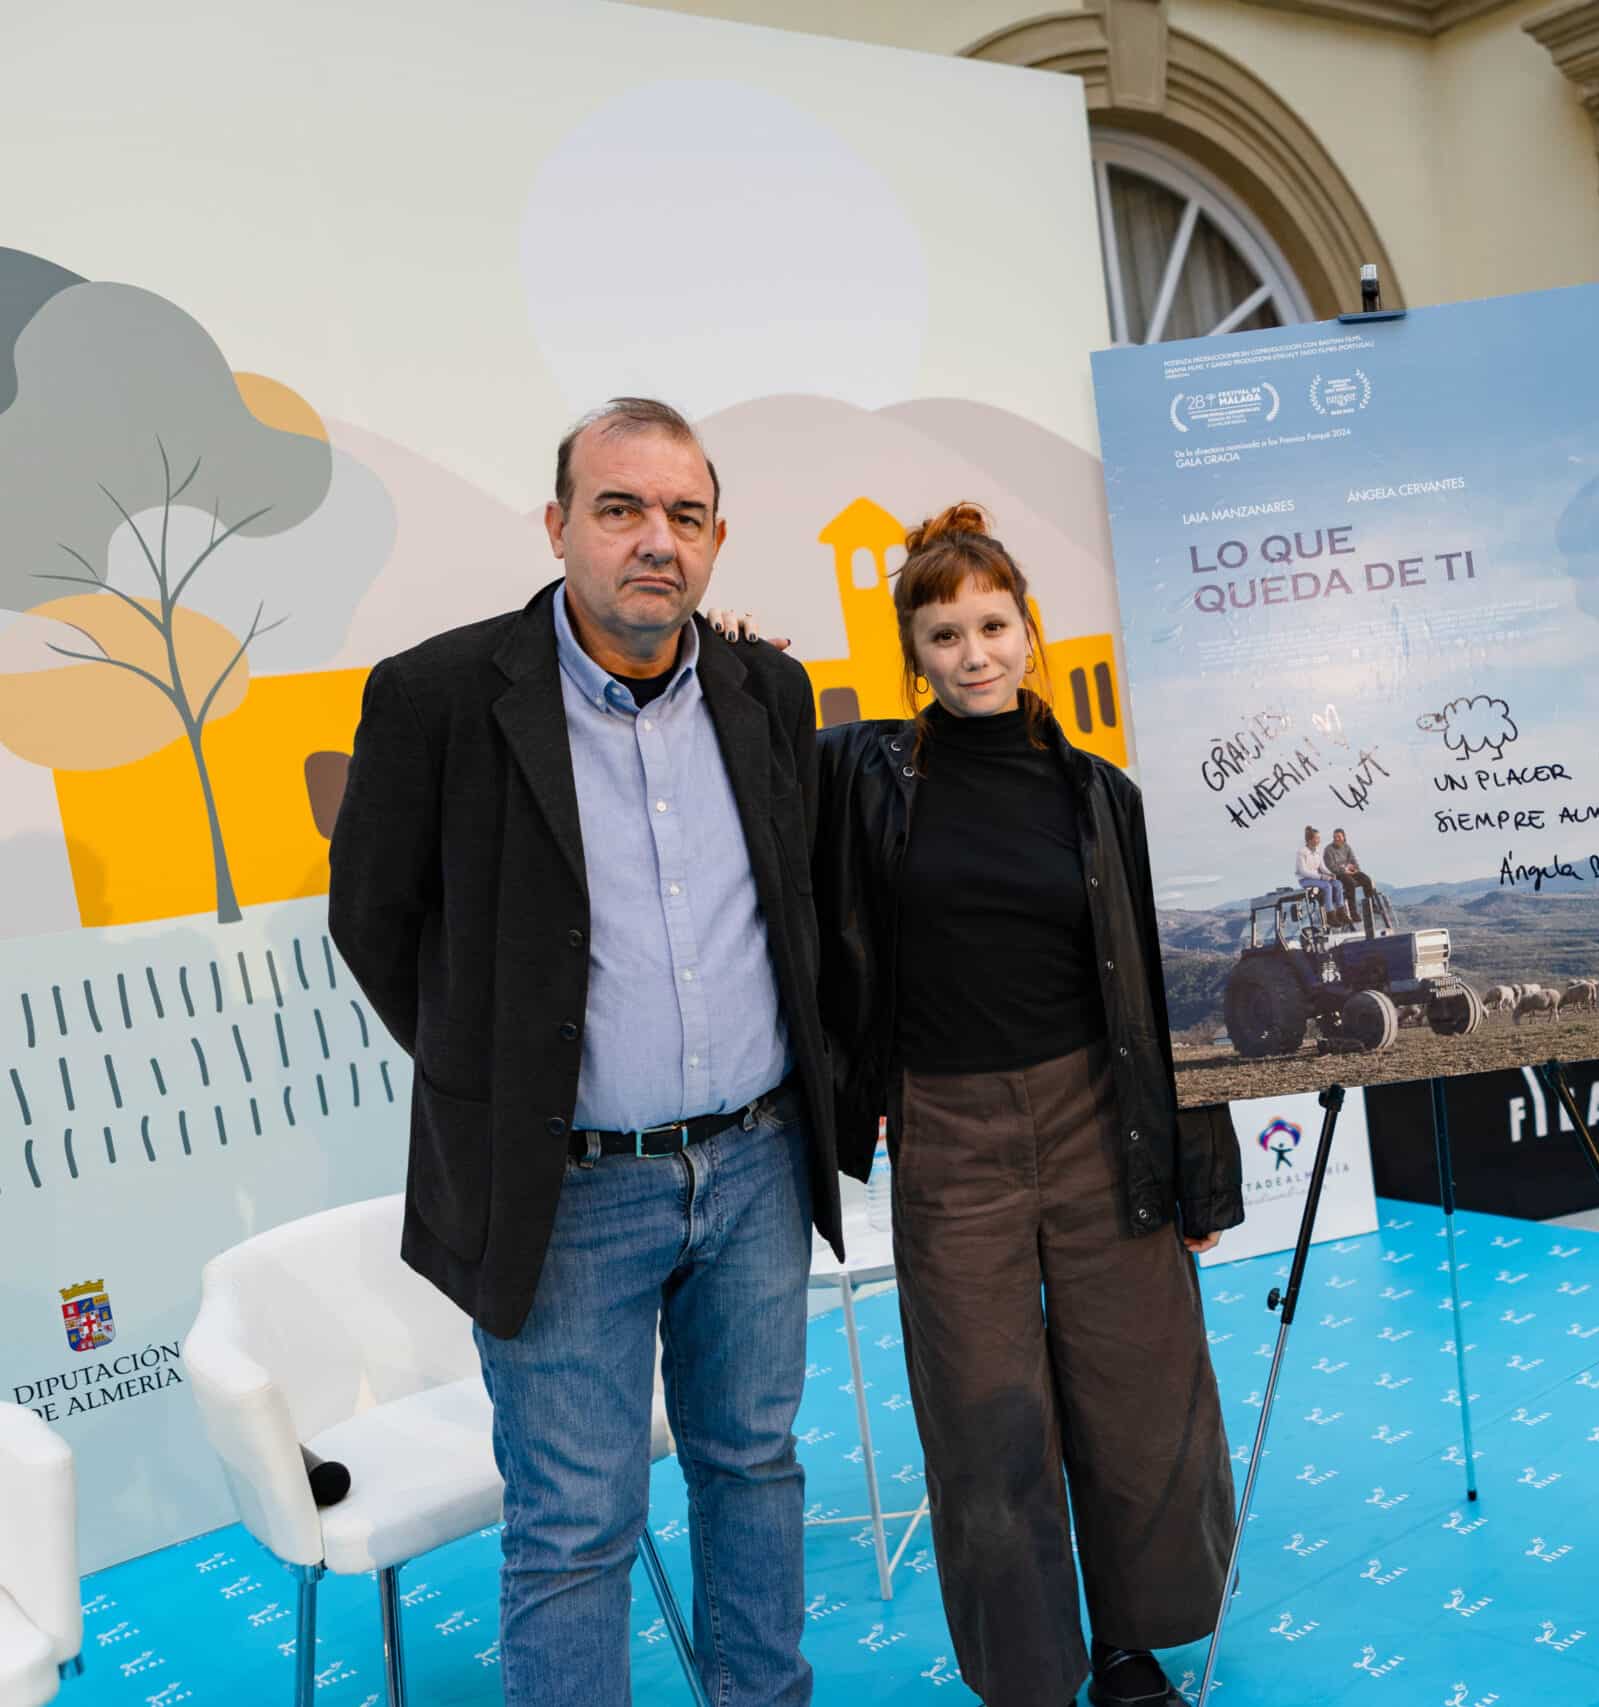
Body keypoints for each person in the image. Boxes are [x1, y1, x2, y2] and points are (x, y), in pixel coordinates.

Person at [329, 398, 845, 1707]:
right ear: (558, 525)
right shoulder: (438, 697)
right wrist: (506, 1086)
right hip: (565, 1195)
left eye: (682, 515)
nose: (653, 541)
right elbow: (376, 924)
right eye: (620, 508)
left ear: (717, 538)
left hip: (759, 1165)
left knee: (757, 1471)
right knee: (571, 1529)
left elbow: (798, 902)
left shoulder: (767, 689)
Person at [808, 504, 1244, 1707]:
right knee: (984, 1412)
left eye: (992, 624)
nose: (973, 653)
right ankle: (1029, 1673)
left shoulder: (1102, 796)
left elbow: (1168, 995)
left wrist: (1199, 1168)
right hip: (947, 1132)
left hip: (1101, 1117)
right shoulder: (867, 780)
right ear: (913, 656)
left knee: (1137, 1389)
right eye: (943, 634)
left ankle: (1128, 1645)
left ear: (1029, 630)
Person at [1323, 827, 1382, 922]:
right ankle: (1353, 913)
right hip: (1338, 874)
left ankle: (1372, 905)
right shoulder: (1328, 850)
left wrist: (1355, 869)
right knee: (1350, 884)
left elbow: (1353, 860)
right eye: (1335, 837)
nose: (1336, 839)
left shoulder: (1347, 847)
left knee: (1366, 879)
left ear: (1344, 838)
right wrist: (1344, 870)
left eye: (1338, 837)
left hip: (1350, 871)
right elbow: (1331, 867)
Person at [1294, 824, 1348, 925]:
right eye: (1317, 838)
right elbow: (1303, 871)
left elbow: (1322, 867)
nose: (1319, 840)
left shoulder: (1318, 851)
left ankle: (1341, 912)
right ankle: (1330, 916)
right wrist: (1321, 877)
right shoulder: (1302, 852)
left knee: (1338, 884)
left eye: (1319, 838)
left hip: (1318, 878)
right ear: (1310, 840)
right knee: (1327, 886)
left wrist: (1330, 874)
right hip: (1305, 879)